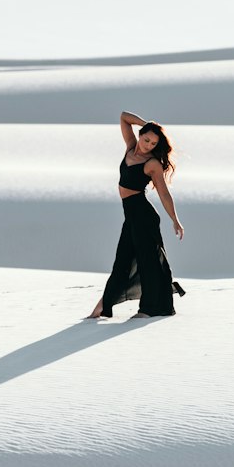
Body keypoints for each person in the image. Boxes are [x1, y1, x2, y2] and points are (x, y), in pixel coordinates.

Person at [86, 111, 186, 320]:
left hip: (143, 215)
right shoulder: (130, 147)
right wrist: (145, 123)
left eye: (153, 144)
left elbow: (164, 193)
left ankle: (149, 309)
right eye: (146, 139)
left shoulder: (152, 164)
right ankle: (104, 306)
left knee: (147, 261)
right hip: (131, 216)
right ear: (140, 135)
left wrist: (175, 220)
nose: (148, 145)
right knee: (122, 262)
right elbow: (123, 117)